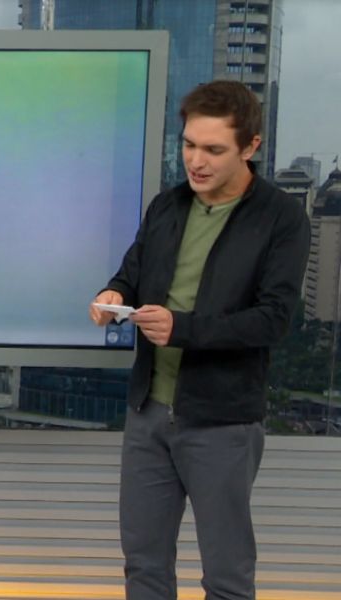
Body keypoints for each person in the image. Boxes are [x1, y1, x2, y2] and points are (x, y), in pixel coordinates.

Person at [89, 81, 310, 600]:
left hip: (223, 423)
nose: (197, 161)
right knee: (143, 568)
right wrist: (111, 293)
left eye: (213, 149)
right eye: (189, 145)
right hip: (148, 416)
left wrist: (181, 329)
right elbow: (132, 273)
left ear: (251, 147)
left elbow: (273, 320)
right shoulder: (167, 206)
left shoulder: (282, 218)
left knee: (227, 579)